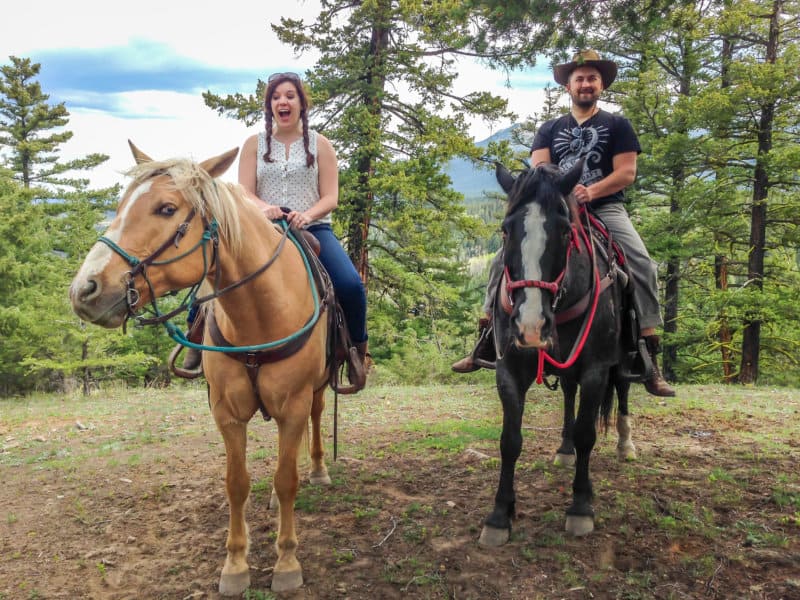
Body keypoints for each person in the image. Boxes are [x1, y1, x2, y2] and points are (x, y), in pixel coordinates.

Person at [452, 50, 675, 398]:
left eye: (592, 79)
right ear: (568, 86)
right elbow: (540, 172)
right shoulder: (550, 129)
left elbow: (626, 172)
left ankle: (648, 349)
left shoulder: (617, 125)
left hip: (605, 209)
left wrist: (592, 190)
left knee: (643, 263)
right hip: (557, 210)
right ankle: (485, 335)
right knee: (502, 260)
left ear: (601, 85)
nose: (586, 84)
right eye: (579, 79)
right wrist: (565, 197)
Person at [180, 72, 369, 382]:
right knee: (214, 268)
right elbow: (245, 191)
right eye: (276, 97)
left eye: (290, 96)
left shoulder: (320, 144)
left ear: (301, 104)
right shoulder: (254, 144)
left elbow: (331, 197)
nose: (283, 101)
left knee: (350, 285)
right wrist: (263, 208)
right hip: (262, 228)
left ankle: (355, 352)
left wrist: (306, 215)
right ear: (269, 106)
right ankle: (197, 335)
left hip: (313, 229)